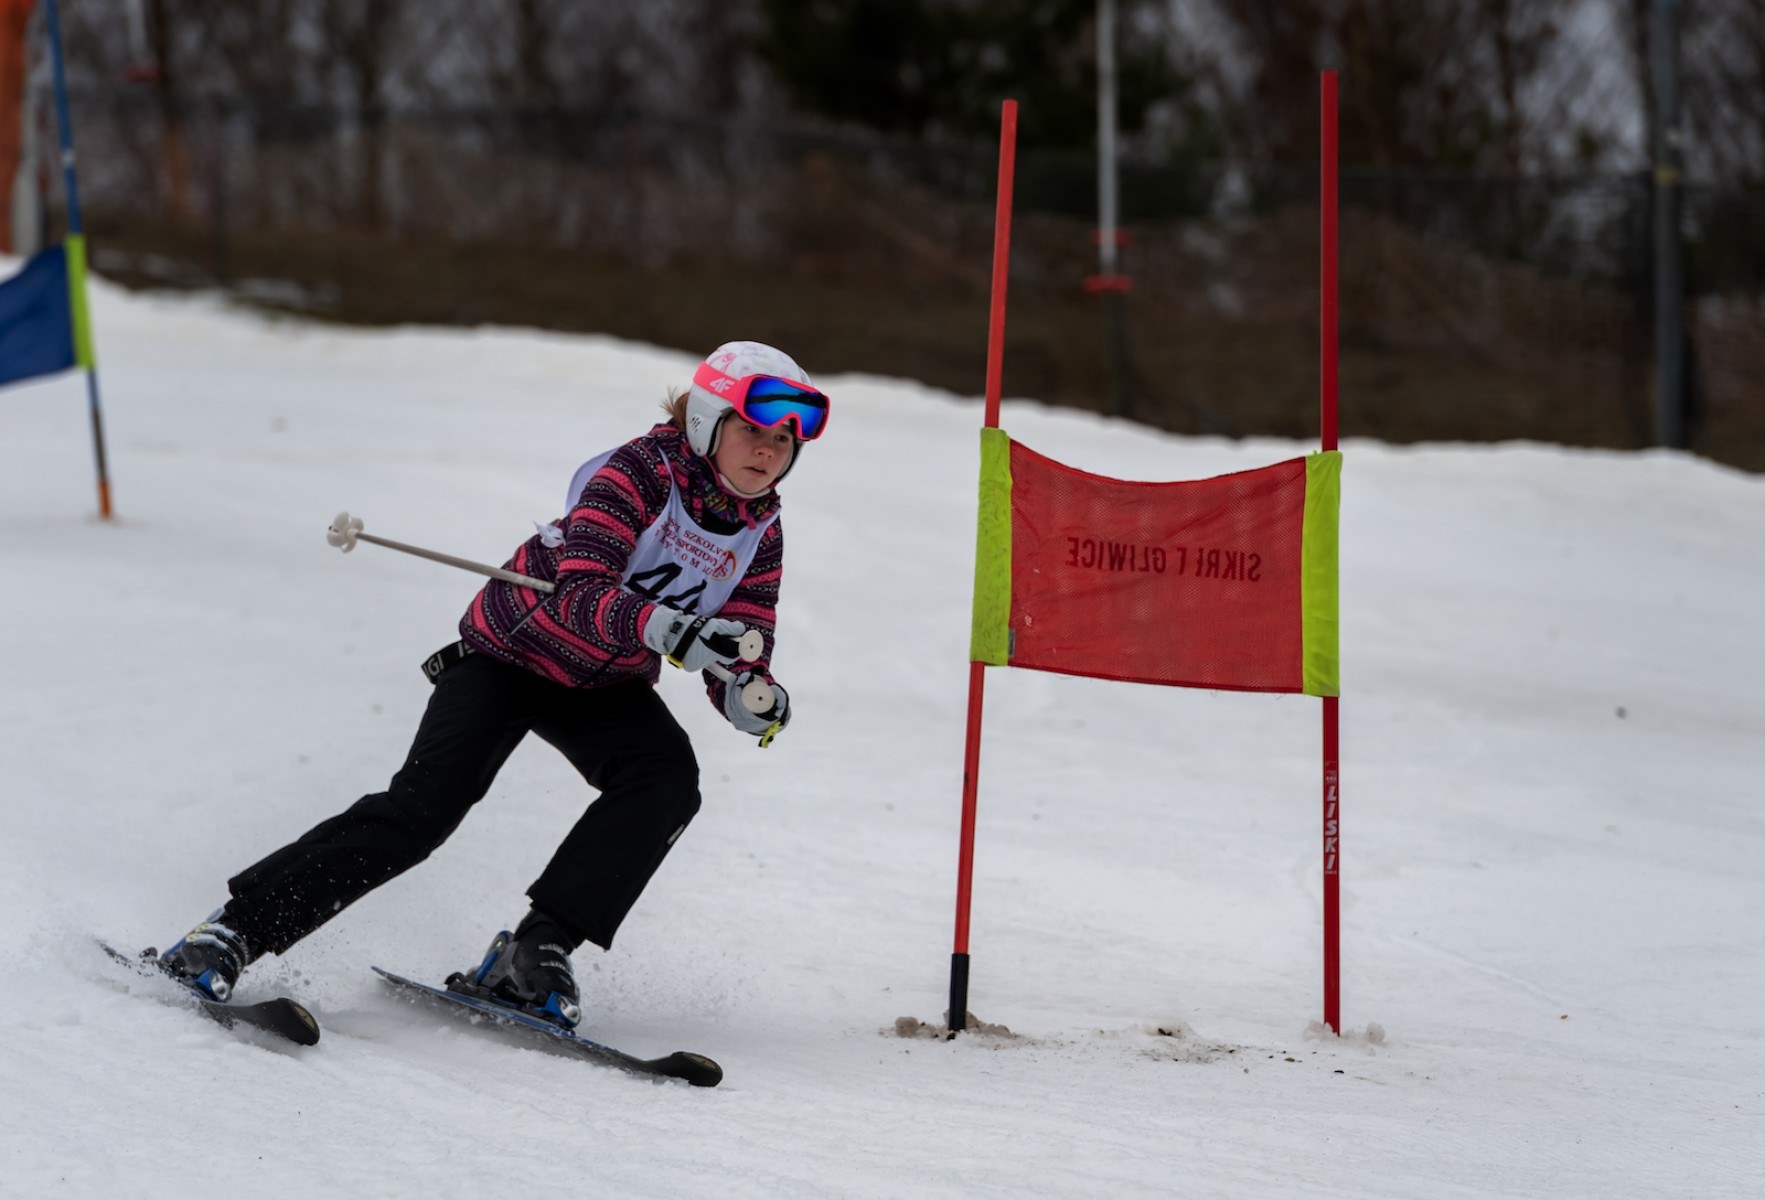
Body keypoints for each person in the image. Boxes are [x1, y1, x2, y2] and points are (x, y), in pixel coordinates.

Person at [156, 340, 829, 1028]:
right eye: (751, 429)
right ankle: (229, 933)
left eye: (783, 439)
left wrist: (748, 693)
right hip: (509, 654)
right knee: (422, 810)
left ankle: (533, 952)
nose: (767, 451)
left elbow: (742, 635)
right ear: (705, 421)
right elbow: (579, 592)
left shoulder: (760, 529)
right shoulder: (635, 474)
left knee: (664, 781)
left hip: (602, 683)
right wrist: (664, 629)